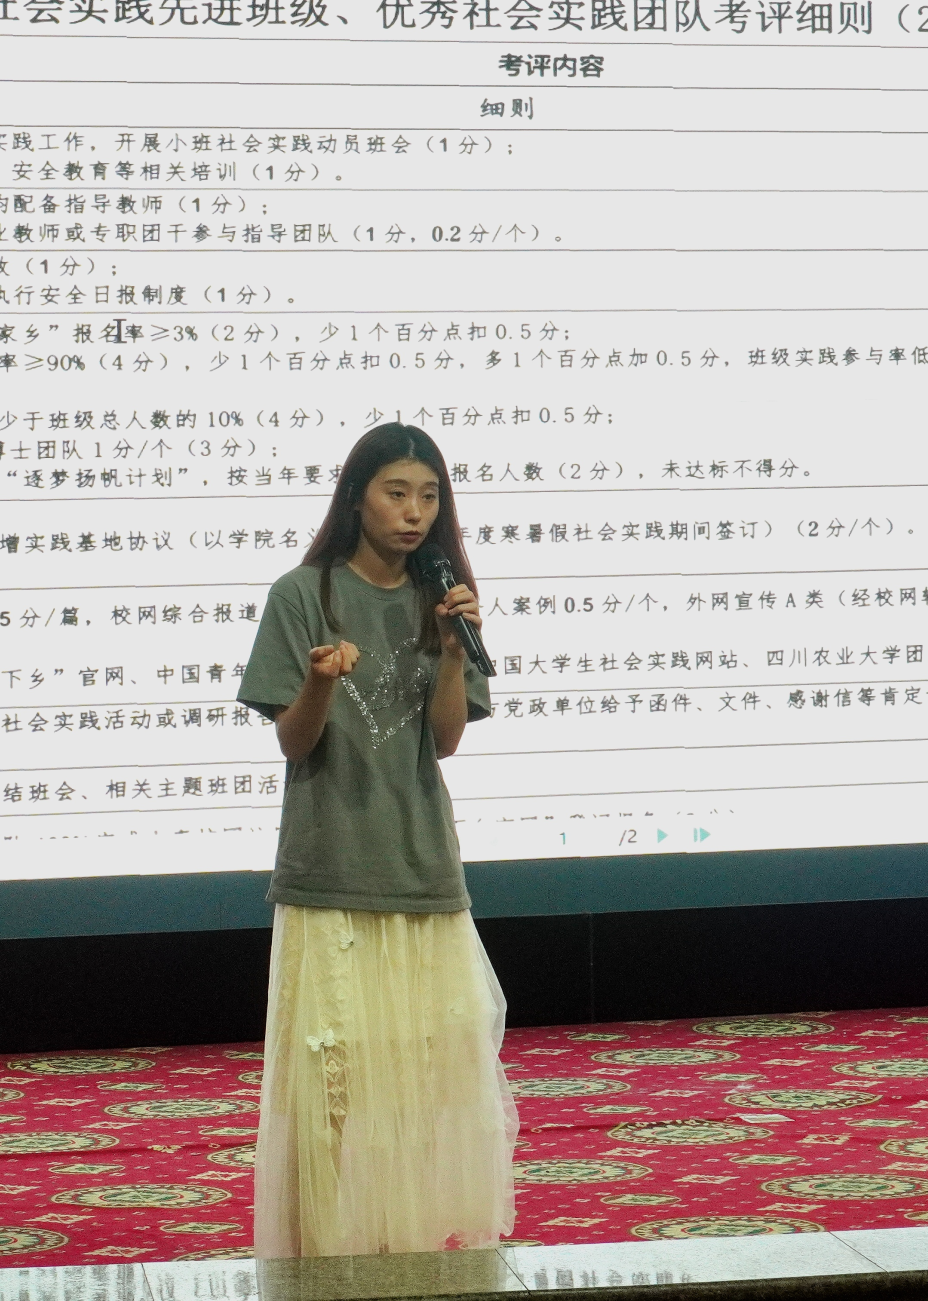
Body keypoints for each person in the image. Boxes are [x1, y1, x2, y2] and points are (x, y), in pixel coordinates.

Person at [237, 422, 515, 1256]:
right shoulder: (303, 594)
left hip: (421, 864)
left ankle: (415, 1254)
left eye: (429, 496)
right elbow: (295, 743)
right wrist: (320, 682)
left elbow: (445, 741)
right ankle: (323, 1263)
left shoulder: (443, 599)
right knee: (331, 1090)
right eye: (397, 493)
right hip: (330, 868)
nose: (414, 512)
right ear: (357, 496)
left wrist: (454, 653)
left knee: (424, 1085)